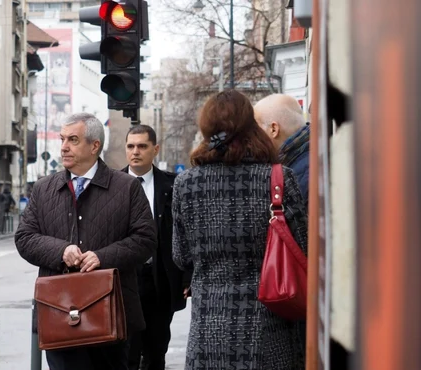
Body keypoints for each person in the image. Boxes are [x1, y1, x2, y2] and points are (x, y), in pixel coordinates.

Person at [172, 91, 308, 370]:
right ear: (250, 126)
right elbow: (302, 247)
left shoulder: (186, 184)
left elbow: (181, 256)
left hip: (207, 332)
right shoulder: (279, 179)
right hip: (270, 326)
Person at [15, 112, 157, 370]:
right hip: (58, 312)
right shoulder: (44, 188)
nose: (64, 147)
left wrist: (103, 257)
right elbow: (25, 237)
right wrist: (61, 250)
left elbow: (145, 239)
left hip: (111, 313)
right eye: (62, 139)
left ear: (94, 146)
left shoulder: (126, 187)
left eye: (73, 139)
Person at [122, 125, 191, 370]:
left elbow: (185, 232)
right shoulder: (111, 185)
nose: (136, 152)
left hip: (160, 279)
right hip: (123, 282)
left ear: (155, 149)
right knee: (126, 353)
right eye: (131, 146)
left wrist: (187, 276)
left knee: (156, 352)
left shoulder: (173, 185)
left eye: (142, 146)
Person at [254, 93, 310, 201]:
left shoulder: (301, 174)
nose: (253, 136)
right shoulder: (311, 158)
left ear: (274, 129)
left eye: (256, 129)